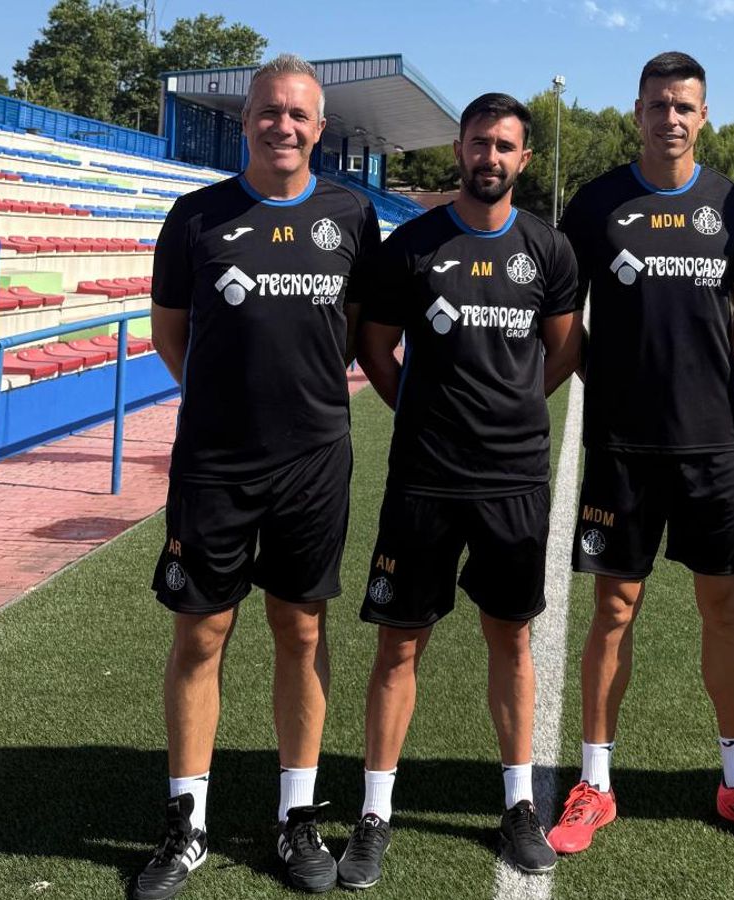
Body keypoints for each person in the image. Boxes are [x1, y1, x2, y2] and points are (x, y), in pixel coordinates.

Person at [136, 54, 382, 899]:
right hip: (215, 463)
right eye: (269, 111)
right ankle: (187, 824)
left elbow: (350, 328)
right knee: (200, 634)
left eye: (299, 114)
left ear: (320, 128)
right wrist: (224, 406)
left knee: (301, 630)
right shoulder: (196, 215)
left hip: (313, 460)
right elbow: (171, 332)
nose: (284, 125)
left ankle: (296, 814)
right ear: (246, 120)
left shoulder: (351, 215)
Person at [545, 51, 734, 853]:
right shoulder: (597, 203)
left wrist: (704, 375)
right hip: (621, 442)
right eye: (658, 104)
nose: (671, 118)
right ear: (638, 112)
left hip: (710, 441)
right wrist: (612, 377)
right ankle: (595, 782)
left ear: (704, 115)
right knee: (614, 608)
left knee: (724, 606)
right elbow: (562, 312)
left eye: (684, 105)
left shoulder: (732, 202)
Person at [339, 92, 582, 887]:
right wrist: (420, 411)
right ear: (459, 150)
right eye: (480, 143)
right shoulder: (412, 245)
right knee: (399, 642)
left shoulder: (548, 249)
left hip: (513, 477)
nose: (491, 157)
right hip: (425, 475)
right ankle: (375, 812)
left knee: (511, 639)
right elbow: (374, 347)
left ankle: (519, 805)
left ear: (524, 159)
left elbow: (563, 350)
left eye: (505, 146)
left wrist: (512, 411)